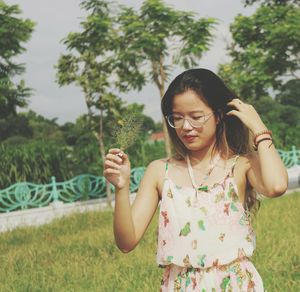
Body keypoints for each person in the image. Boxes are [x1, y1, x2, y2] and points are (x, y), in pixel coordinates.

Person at [104, 68, 288, 291]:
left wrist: (259, 129)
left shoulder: (240, 165)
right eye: (177, 118)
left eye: (196, 117)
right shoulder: (160, 172)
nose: (186, 127)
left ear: (219, 115)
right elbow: (126, 242)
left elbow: (276, 186)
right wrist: (121, 188)